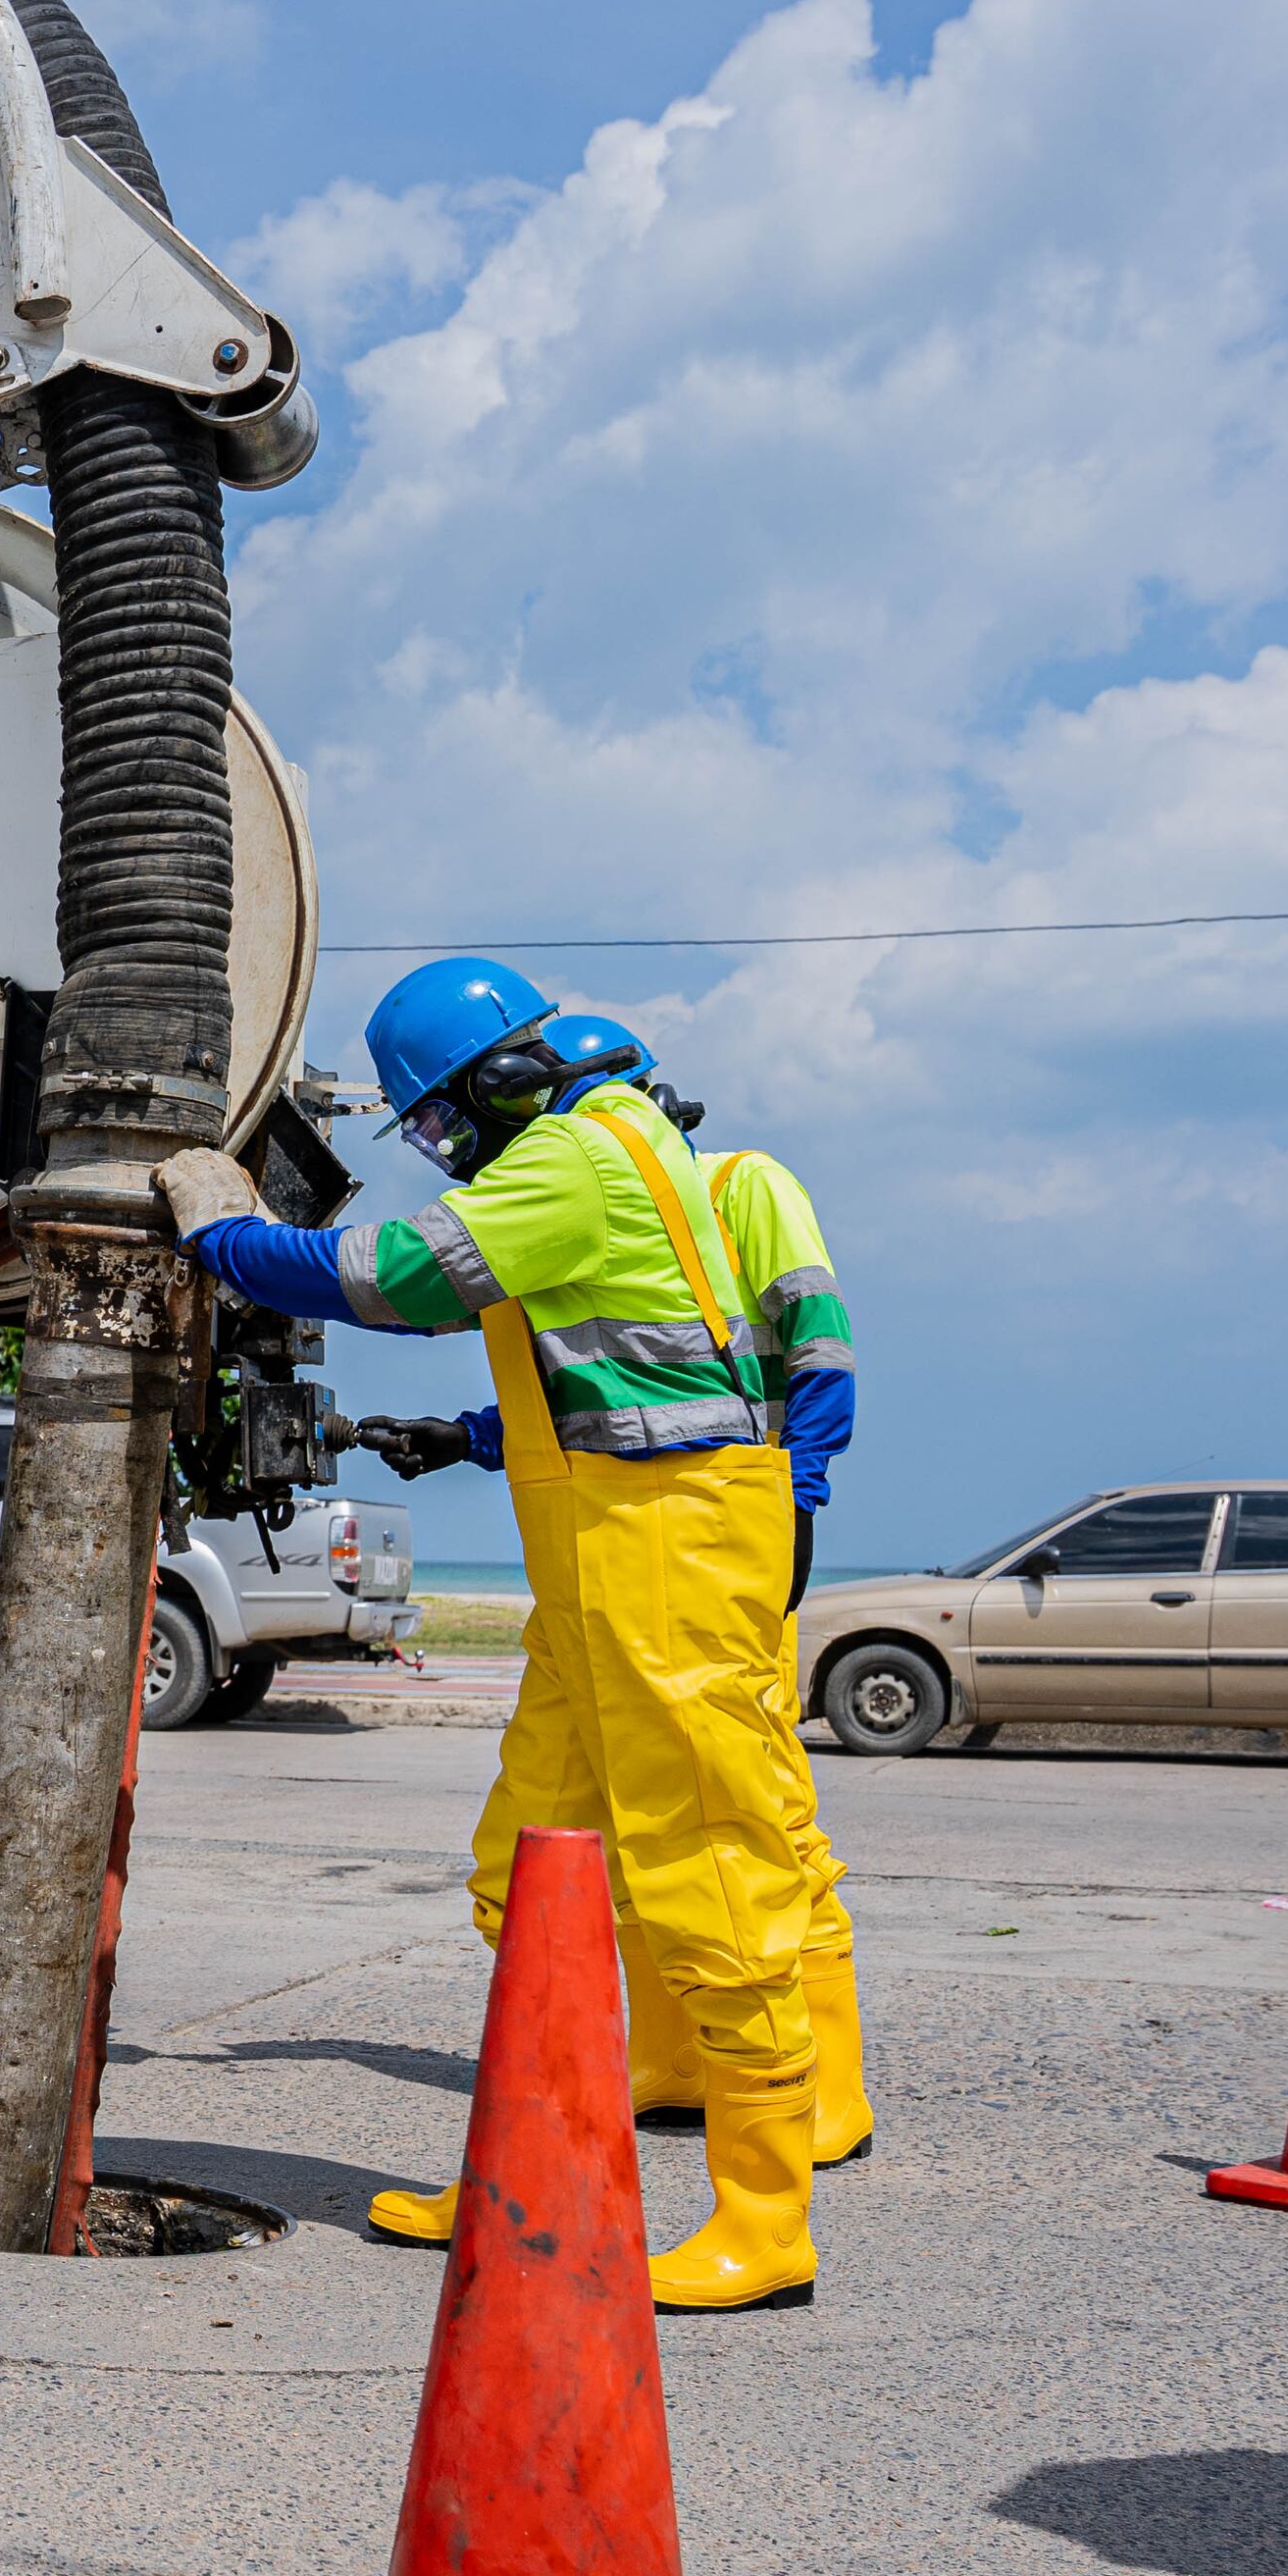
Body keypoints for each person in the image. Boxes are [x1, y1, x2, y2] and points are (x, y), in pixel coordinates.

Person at [153, 962, 822, 2309]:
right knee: (532, 1864)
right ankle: (537, 2159)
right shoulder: (602, 1143)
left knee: (710, 1864)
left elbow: (394, 1274)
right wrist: (459, 1438)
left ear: (501, 1082)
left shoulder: (578, 1155)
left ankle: (766, 2217)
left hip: (670, 1548)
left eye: (445, 1126)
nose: (450, 1156)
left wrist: (224, 1234)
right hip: (607, 1556)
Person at [415, 1014, 878, 2169]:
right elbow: (606, 1381)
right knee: (629, 1822)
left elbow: (811, 1348)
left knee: (747, 1809)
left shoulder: (737, 1184)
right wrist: (465, 1438)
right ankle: (675, 2068)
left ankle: (816, 2101)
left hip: (724, 1525)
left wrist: (790, 1492)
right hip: (637, 1530)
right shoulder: (589, 1194)